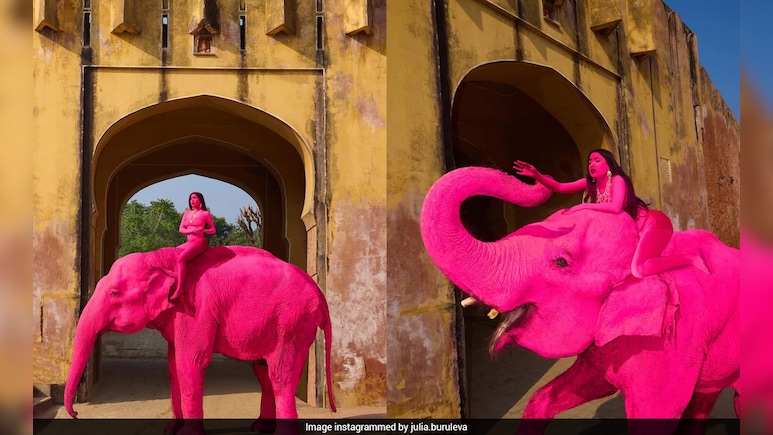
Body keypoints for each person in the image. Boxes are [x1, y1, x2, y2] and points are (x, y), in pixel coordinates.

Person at [513, 149, 709, 278]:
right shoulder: (588, 184)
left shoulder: (617, 180)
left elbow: (615, 207)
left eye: (597, 160)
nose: (592, 164)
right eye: (590, 161)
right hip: (627, 233)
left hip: (652, 225)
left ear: (608, 165)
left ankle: (690, 257)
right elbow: (559, 186)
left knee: (639, 269)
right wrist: (537, 175)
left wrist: (584, 207)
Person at [170, 192, 216, 301]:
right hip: (189, 242)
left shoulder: (205, 214)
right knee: (174, 253)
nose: (192, 200)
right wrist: (189, 230)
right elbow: (181, 229)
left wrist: (203, 230)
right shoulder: (186, 213)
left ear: (200, 200)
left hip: (199, 242)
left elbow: (213, 230)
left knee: (181, 259)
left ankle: (180, 288)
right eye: (191, 198)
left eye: (195, 198)